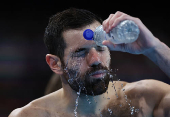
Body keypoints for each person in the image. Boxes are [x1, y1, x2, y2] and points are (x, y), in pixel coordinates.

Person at [9, 8, 170, 117]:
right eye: (80, 52)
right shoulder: (32, 115)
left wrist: (154, 47)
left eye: (100, 48)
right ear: (54, 63)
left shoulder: (144, 98)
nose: (95, 60)